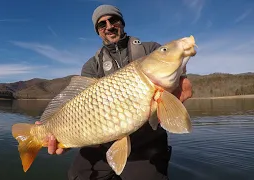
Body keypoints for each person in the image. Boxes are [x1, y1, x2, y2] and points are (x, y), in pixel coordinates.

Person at [36, 4, 193, 180]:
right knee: (78, 175)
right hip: (102, 142)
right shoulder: (91, 66)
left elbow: (184, 86)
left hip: (147, 144)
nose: (109, 26)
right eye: (102, 24)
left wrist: (177, 96)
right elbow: (80, 114)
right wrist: (68, 138)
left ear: (122, 23)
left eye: (113, 20)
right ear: (98, 31)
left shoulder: (150, 50)